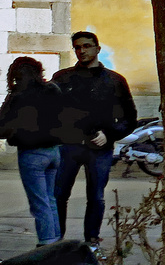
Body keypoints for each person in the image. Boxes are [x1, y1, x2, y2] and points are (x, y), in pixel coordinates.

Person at [53, 31, 136, 249]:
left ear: (97, 49)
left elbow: (129, 118)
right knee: (58, 196)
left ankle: (92, 240)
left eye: (87, 46)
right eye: (78, 47)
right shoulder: (62, 78)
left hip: (99, 148)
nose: (82, 51)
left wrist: (109, 134)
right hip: (67, 147)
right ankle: (55, 241)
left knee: (96, 197)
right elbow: (49, 111)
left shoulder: (115, 81)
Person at [2, 57, 63, 246]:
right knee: (50, 199)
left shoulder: (17, 96)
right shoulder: (53, 90)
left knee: (39, 203)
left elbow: (1, 125)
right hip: (54, 151)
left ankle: (46, 243)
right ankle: (55, 242)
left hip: (31, 153)